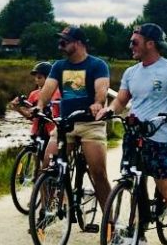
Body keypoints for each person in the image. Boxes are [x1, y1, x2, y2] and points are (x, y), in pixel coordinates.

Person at [96, 23, 167, 245]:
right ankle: (139, 234)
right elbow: (122, 101)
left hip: (158, 138)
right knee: (134, 185)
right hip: (133, 136)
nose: (130, 46)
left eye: (134, 42)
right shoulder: (131, 72)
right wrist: (110, 110)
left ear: (150, 43)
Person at [35, 26, 112, 210]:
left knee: (98, 173)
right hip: (66, 123)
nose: (60, 45)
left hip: (91, 124)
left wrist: (98, 103)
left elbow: (101, 90)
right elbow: (47, 90)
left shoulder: (97, 65)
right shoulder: (59, 66)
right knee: (46, 166)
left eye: (65, 41)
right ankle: (45, 214)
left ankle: (111, 221)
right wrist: (39, 106)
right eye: (60, 41)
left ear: (78, 43)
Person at [9, 61, 61, 139]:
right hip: (37, 131)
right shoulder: (34, 94)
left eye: (39, 77)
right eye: (35, 77)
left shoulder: (58, 93)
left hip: (54, 131)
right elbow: (30, 116)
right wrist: (18, 109)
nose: (36, 80)